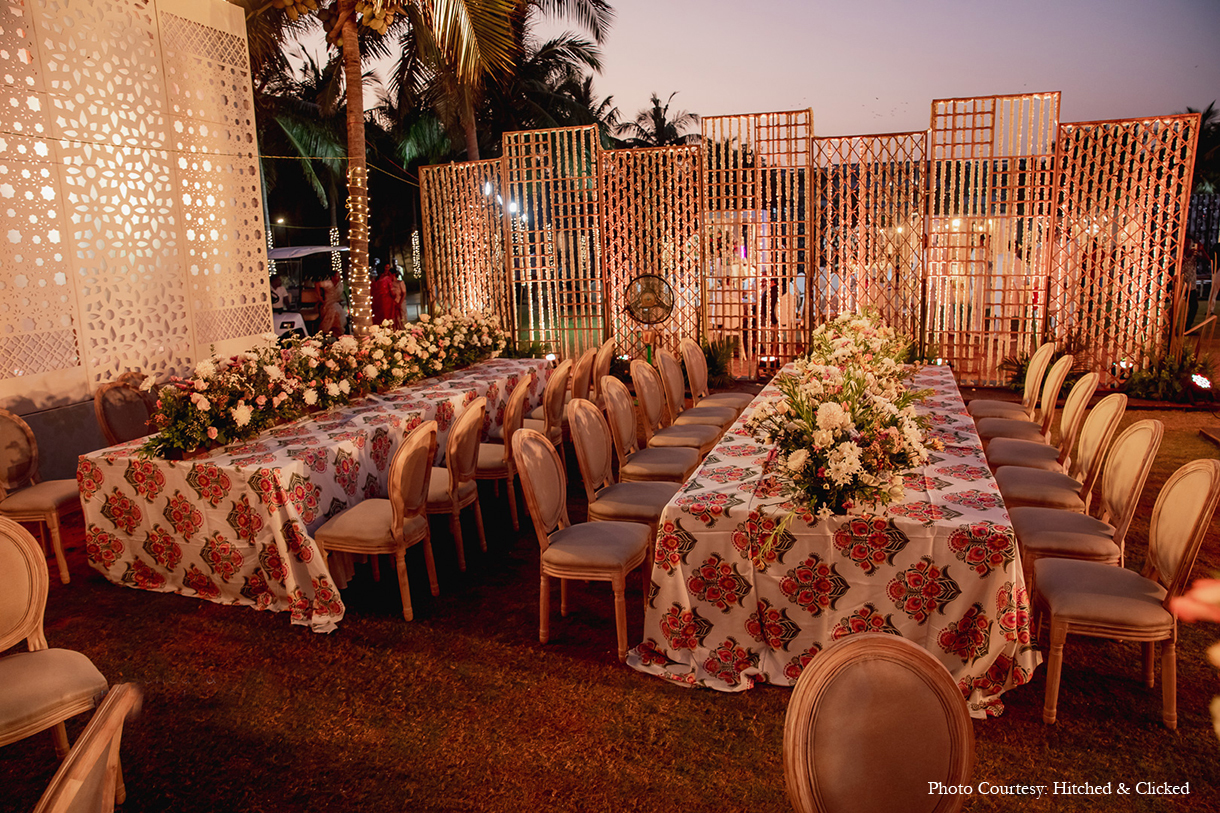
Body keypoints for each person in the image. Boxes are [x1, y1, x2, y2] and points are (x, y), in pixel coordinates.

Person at [317, 270, 347, 336]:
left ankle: (337, 331)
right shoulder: (328, 283)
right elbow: (317, 284)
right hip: (327, 304)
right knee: (333, 310)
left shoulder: (340, 285)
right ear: (332, 277)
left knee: (337, 310)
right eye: (337, 276)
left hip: (336, 303)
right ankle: (326, 330)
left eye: (339, 276)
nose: (338, 278)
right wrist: (319, 296)